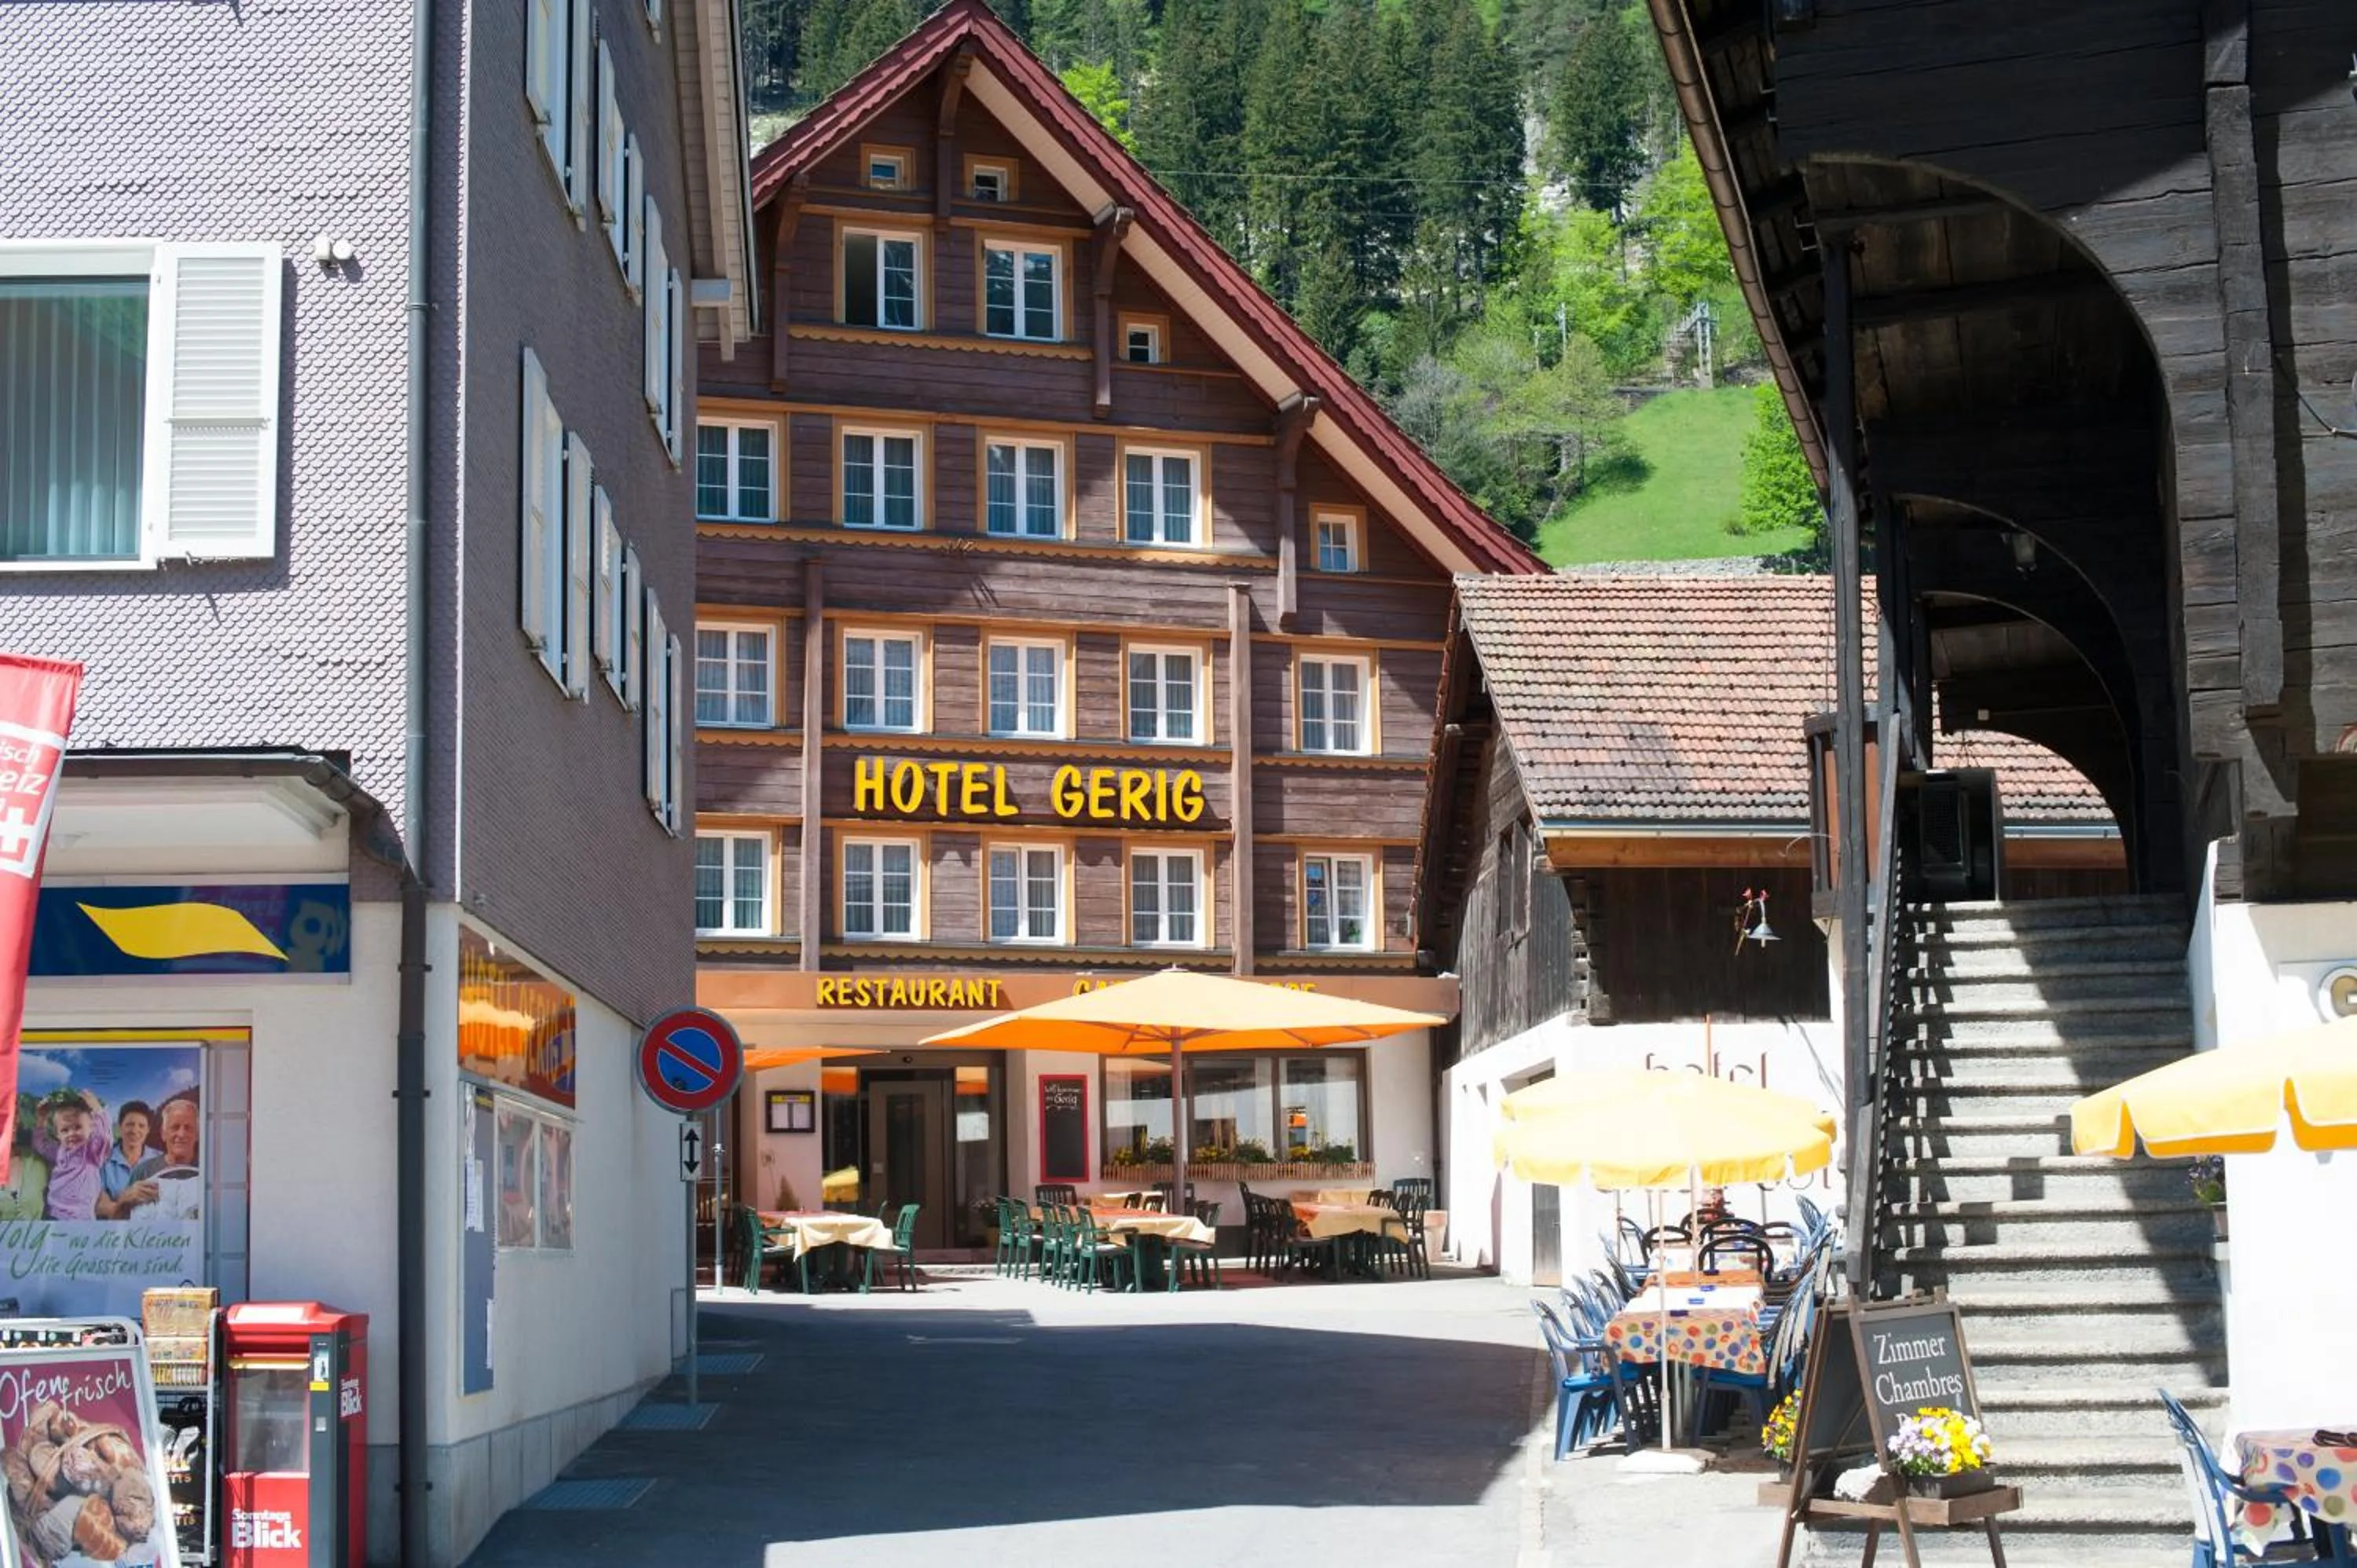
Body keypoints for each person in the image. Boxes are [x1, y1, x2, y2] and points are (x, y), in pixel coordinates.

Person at [34, 1089, 111, 1222]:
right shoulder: (60, 1151)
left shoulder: (92, 1153)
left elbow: (104, 1138)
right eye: (65, 1130)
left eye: (78, 1127)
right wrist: (41, 1119)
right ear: (58, 1135)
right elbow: (41, 1145)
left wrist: (98, 1111)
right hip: (54, 1214)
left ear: (91, 1128)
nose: (71, 1133)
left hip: (80, 1218)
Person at [97, 1101, 164, 1219]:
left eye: (141, 1126)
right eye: (130, 1124)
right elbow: (100, 1206)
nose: (135, 1130)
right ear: (120, 1127)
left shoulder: (160, 1159)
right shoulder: (102, 1160)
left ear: (148, 1129)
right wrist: (125, 1199)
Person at [156, 1091, 200, 1170]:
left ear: (197, 1134)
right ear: (163, 1134)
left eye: (188, 1128)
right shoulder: (142, 1173)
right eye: (175, 1127)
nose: (181, 1134)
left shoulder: (209, 1170)